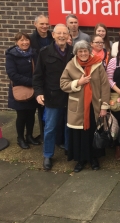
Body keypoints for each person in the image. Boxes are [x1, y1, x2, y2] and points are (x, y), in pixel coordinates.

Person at [60, 40, 110, 172]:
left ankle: (94, 159)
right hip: (78, 108)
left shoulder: (98, 64)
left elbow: (105, 86)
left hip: (94, 106)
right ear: (76, 53)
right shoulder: (71, 65)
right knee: (79, 135)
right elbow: (63, 84)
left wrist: (104, 107)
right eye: (80, 51)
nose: (83, 53)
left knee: (93, 133)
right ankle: (80, 160)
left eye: (85, 51)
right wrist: (78, 82)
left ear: (89, 51)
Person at [33, 24, 74, 171]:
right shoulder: (44, 53)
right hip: (52, 96)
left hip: (71, 96)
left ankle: (69, 149)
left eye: (65, 33)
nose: (62, 36)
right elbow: (37, 76)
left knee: (70, 125)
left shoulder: (73, 52)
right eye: (59, 33)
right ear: (54, 35)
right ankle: (48, 155)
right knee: (50, 128)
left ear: (69, 35)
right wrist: (38, 93)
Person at [6, 32, 40, 149]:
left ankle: (29, 136)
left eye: (26, 40)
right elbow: (12, 74)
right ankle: (20, 138)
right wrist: (31, 81)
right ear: (16, 42)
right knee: (21, 116)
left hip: (33, 89)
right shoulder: (11, 55)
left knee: (31, 114)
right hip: (20, 89)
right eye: (21, 40)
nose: (25, 42)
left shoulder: (33, 53)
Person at [29, 14, 53, 141]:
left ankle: (54, 135)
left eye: (46, 24)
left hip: (51, 77)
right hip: (39, 76)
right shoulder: (30, 39)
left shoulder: (52, 37)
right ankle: (44, 135)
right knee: (41, 109)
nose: (44, 26)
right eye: (41, 24)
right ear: (35, 24)